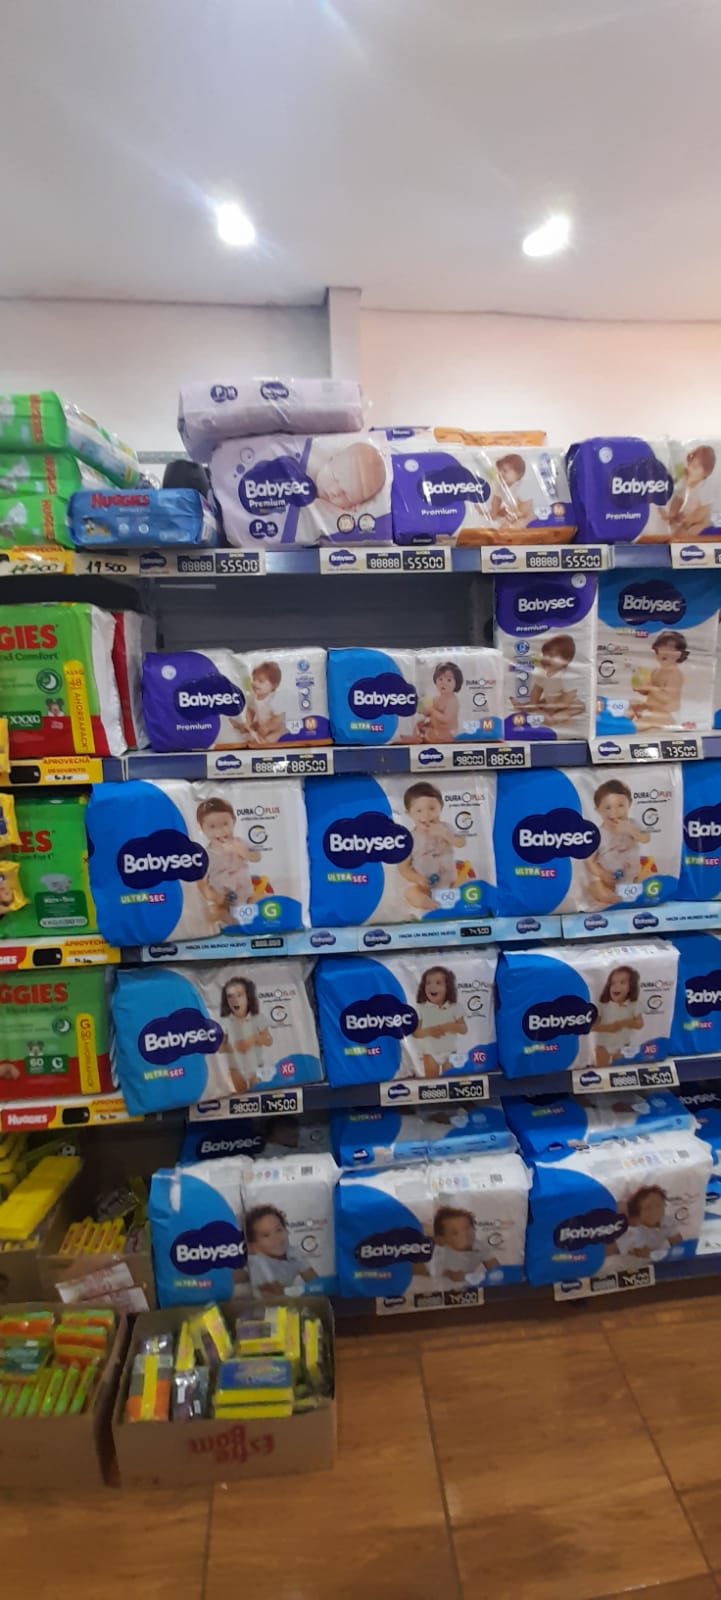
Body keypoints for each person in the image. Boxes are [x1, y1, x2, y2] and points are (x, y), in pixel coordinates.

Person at [399, 781, 464, 913]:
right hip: (426, 886)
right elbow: (403, 868)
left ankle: (454, 901)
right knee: (410, 893)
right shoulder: (410, 839)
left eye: (432, 809)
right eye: (419, 811)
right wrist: (417, 878)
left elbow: (461, 842)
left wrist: (446, 835)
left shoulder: (446, 828)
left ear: (441, 807)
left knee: (468, 881)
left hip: (451, 881)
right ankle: (432, 905)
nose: (426, 815)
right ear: (409, 813)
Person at [585, 778, 651, 908]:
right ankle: (613, 897)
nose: (614, 812)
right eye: (608, 807)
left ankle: (632, 894)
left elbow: (645, 838)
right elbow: (590, 861)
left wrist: (631, 830)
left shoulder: (633, 824)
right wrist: (602, 874)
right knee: (595, 887)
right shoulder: (597, 834)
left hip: (634, 876)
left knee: (651, 877)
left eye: (620, 805)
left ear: (629, 804)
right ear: (597, 810)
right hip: (610, 879)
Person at [195, 796, 260, 924]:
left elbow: (256, 857)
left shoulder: (239, 843)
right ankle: (229, 919)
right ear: (202, 829)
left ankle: (246, 918)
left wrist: (241, 851)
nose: (220, 831)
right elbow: (201, 883)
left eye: (225, 824)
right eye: (212, 827)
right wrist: (216, 897)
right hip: (224, 900)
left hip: (247, 895)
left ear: (233, 821)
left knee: (265, 899)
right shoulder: (206, 855)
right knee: (210, 914)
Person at [245, 1202, 320, 1294]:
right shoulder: (257, 1262)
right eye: (266, 1235)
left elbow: (316, 1283)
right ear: (253, 1245)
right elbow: (277, 1293)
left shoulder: (293, 1253)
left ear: (286, 1230)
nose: (275, 1238)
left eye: (279, 1230)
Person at [513, 634, 585, 728]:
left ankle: (555, 719)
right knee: (538, 704)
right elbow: (537, 690)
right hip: (550, 702)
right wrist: (532, 705)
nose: (546, 659)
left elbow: (567, 698)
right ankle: (527, 708)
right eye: (544, 655)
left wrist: (554, 708)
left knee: (575, 707)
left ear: (566, 660)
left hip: (568, 704)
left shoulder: (567, 676)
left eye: (551, 655)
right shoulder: (542, 674)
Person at [216, 975, 272, 1093]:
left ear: (248, 997)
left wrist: (252, 1040)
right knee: (240, 1095)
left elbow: (268, 1040)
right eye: (230, 996)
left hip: (256, 1066)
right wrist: (233, 1047)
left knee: (257, 1092)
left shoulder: (258, 1018)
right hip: (235, 1068)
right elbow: (220, 1048)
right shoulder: (225, 1022)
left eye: (239, 995)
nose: (234, 1000)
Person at [412, 965, 467, 1077]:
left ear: (448, 987)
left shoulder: (455, 1007)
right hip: (429, 1052)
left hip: (450, 1051)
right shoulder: (421, 1008)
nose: (432, 987)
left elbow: (463, 1029)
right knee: (431, 1079)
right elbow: (416, 1033)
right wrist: (431, 1031)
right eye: (428, 983)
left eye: (438, 983)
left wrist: (447, 1027)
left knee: (451, 1078)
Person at [630, 631, 688, 730]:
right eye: (661, 648)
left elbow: (667, 698)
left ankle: (630, 726)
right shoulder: (656, 671)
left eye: (670, 648)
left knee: (633, 727)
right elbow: (648, 692)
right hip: (653, 711)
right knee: (630, 705)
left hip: (667, 715)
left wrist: (650, 688)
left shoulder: (675, 674)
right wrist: (641, 688)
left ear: (680, 654)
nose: (664, 652)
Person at [430, 1205, 497, 1285]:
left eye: (467, 1228)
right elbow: (448, 1275)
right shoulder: (442, 1253)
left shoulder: (479, 1246)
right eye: (455, 1233)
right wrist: (450, 1274)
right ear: (442, 1240)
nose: (465, 1234)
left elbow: (496, 1269)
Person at [593, 966, 643, 1067]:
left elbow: (639, 1024)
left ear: (631, 987)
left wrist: (623, 1023)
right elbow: (593, 1026)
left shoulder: (633, 1004)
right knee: (601, 1070)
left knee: (620, 1068)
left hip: (623, 1044)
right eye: (612, 983)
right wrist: (609, 1028)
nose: (616, 986)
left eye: (622, 982)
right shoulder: (603, 1005)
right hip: (603, 1045)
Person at [617, 1185, 682, 1262]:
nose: (654, 1211)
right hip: (629, 1261)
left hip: (654, 1257)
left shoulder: (667, 1221)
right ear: (638, 1212)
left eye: (658, 1205)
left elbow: (679, 1244)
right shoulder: (635, 1231)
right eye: (648, 1208)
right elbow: (643, 1255)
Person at [665, 445, 716, 539]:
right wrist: (672, 513)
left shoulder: (704, 488)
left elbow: (703, 511)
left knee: (686, 534)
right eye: (689, 465)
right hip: (685, 521)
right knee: (673, 531)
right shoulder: (685, 483)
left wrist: (690, 519)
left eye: (695, 467)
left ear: (705, 473)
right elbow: (678, 499)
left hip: (700, 523)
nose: (690, 469)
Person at [415, 661, 463, 742]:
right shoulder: (436, 699)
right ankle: (418, 737)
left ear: (457, 683)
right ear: (435, 680)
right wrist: (420, 707)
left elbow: (446, 719)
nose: (443, 683)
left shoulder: (452, 701)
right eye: (440, 679)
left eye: (449, 680)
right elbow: (427, 713)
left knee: (428, 735)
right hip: (437, 729)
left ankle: (420, 738)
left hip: (449, 732)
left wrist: (432, 711)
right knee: (419, 725)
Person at [245, 660, 286, 746]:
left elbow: (280, 717)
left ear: (274, 685)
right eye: (254, 679)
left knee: (269, 740)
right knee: (249, 737)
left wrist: (268, 727)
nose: (255, 683)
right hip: (261, 726)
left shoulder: (274, 699)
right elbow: (250, 710)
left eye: (261, 681)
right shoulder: (253, 696)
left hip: (276, 729)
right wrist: (249, 724)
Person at [489, 452, 532, 529]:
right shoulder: (500, 486)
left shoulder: (520, 486)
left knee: (522, 522)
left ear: (518, 474)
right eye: (499, 470)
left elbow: (527, 505)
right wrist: (493, 513)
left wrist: (518, 514)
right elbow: (496, 501)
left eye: (505, 471)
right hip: (510, 514)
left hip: (524, 515)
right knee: (503, 525)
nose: (500, 473)